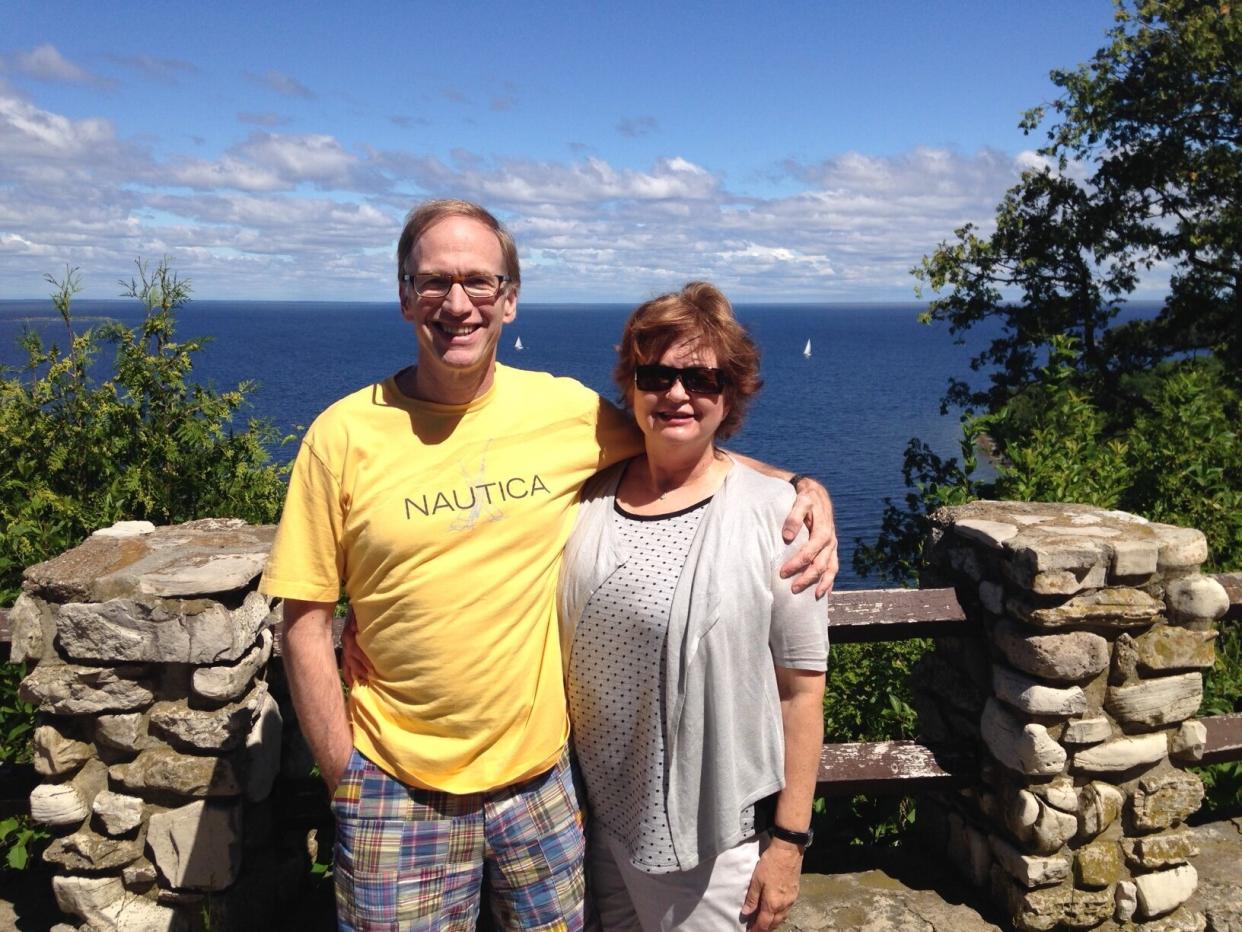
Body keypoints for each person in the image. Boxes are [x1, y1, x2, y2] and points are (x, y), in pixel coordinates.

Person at [261, 199, 837, 930]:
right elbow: (304, 624)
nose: (457, 302)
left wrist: (800, 488)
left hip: (541, 790)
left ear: (509, 299)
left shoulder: (563, 412)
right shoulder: (341, 436)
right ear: (405, 294)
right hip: (395, 788)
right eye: (435, 281)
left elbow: (685, 440)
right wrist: (348, 777)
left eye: (479, 281)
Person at [557, 283, 827, 932]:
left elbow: (801, 694)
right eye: (655, 375)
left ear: (729, 392)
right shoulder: (586, 496)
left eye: (700, 377)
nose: (676, 393)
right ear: (631, 388)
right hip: (590, 822)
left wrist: (788, 846)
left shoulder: (779, 521)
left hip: (707, 844)